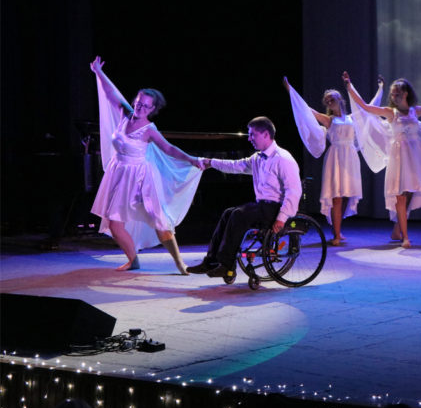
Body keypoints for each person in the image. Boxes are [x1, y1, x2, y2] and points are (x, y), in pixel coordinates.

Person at [89, 56, 202, 273]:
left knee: (159, 221)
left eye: (146, 106)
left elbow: (169, 148)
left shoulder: (149, 130)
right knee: (114, 224)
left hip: (140, 179)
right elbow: (111, 93)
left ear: (152, 109)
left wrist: (192, 159)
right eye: (139, 102)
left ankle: (180, 263)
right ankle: (133, 260)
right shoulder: (125, 113)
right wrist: (99, 72)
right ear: (135, 101)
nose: (140, 107)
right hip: (119, 174)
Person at [187, 116, 301, 278]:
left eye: (252, 134)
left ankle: (226, 265)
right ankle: (211, 261)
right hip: (262, 206)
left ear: (266, 134)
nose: (249, 138)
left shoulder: (283, 159)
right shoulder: (257, 158)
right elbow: (236, 166)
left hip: (275, 208)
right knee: (228, 213)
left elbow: (294, 191)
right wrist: (211, 162)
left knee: (239, 215)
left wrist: (282, 218)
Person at [344, 71, 421, 248]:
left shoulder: (415, 110)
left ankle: (398, 229)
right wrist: (350, 87)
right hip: (399, 157)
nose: (394, 96)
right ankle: (405, 237)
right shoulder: (390, 112)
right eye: (392, 93)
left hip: (414, 157)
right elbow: (365, 107)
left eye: (397, 92)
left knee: (410, 191)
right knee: (401, 196)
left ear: (406, 93)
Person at [284, 76, 383, 246]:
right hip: (336, 158)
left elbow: (368, 110)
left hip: (350, 158)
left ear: (340, 100)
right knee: (337, 196)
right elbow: (306, 110)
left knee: (345, 196)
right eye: (327, 101)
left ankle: (337, 229)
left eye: (332, 99)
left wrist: (380, 89)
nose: (329, 102)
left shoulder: (352, 118)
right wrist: (290, 90)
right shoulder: (329, 120)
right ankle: (336, 234)